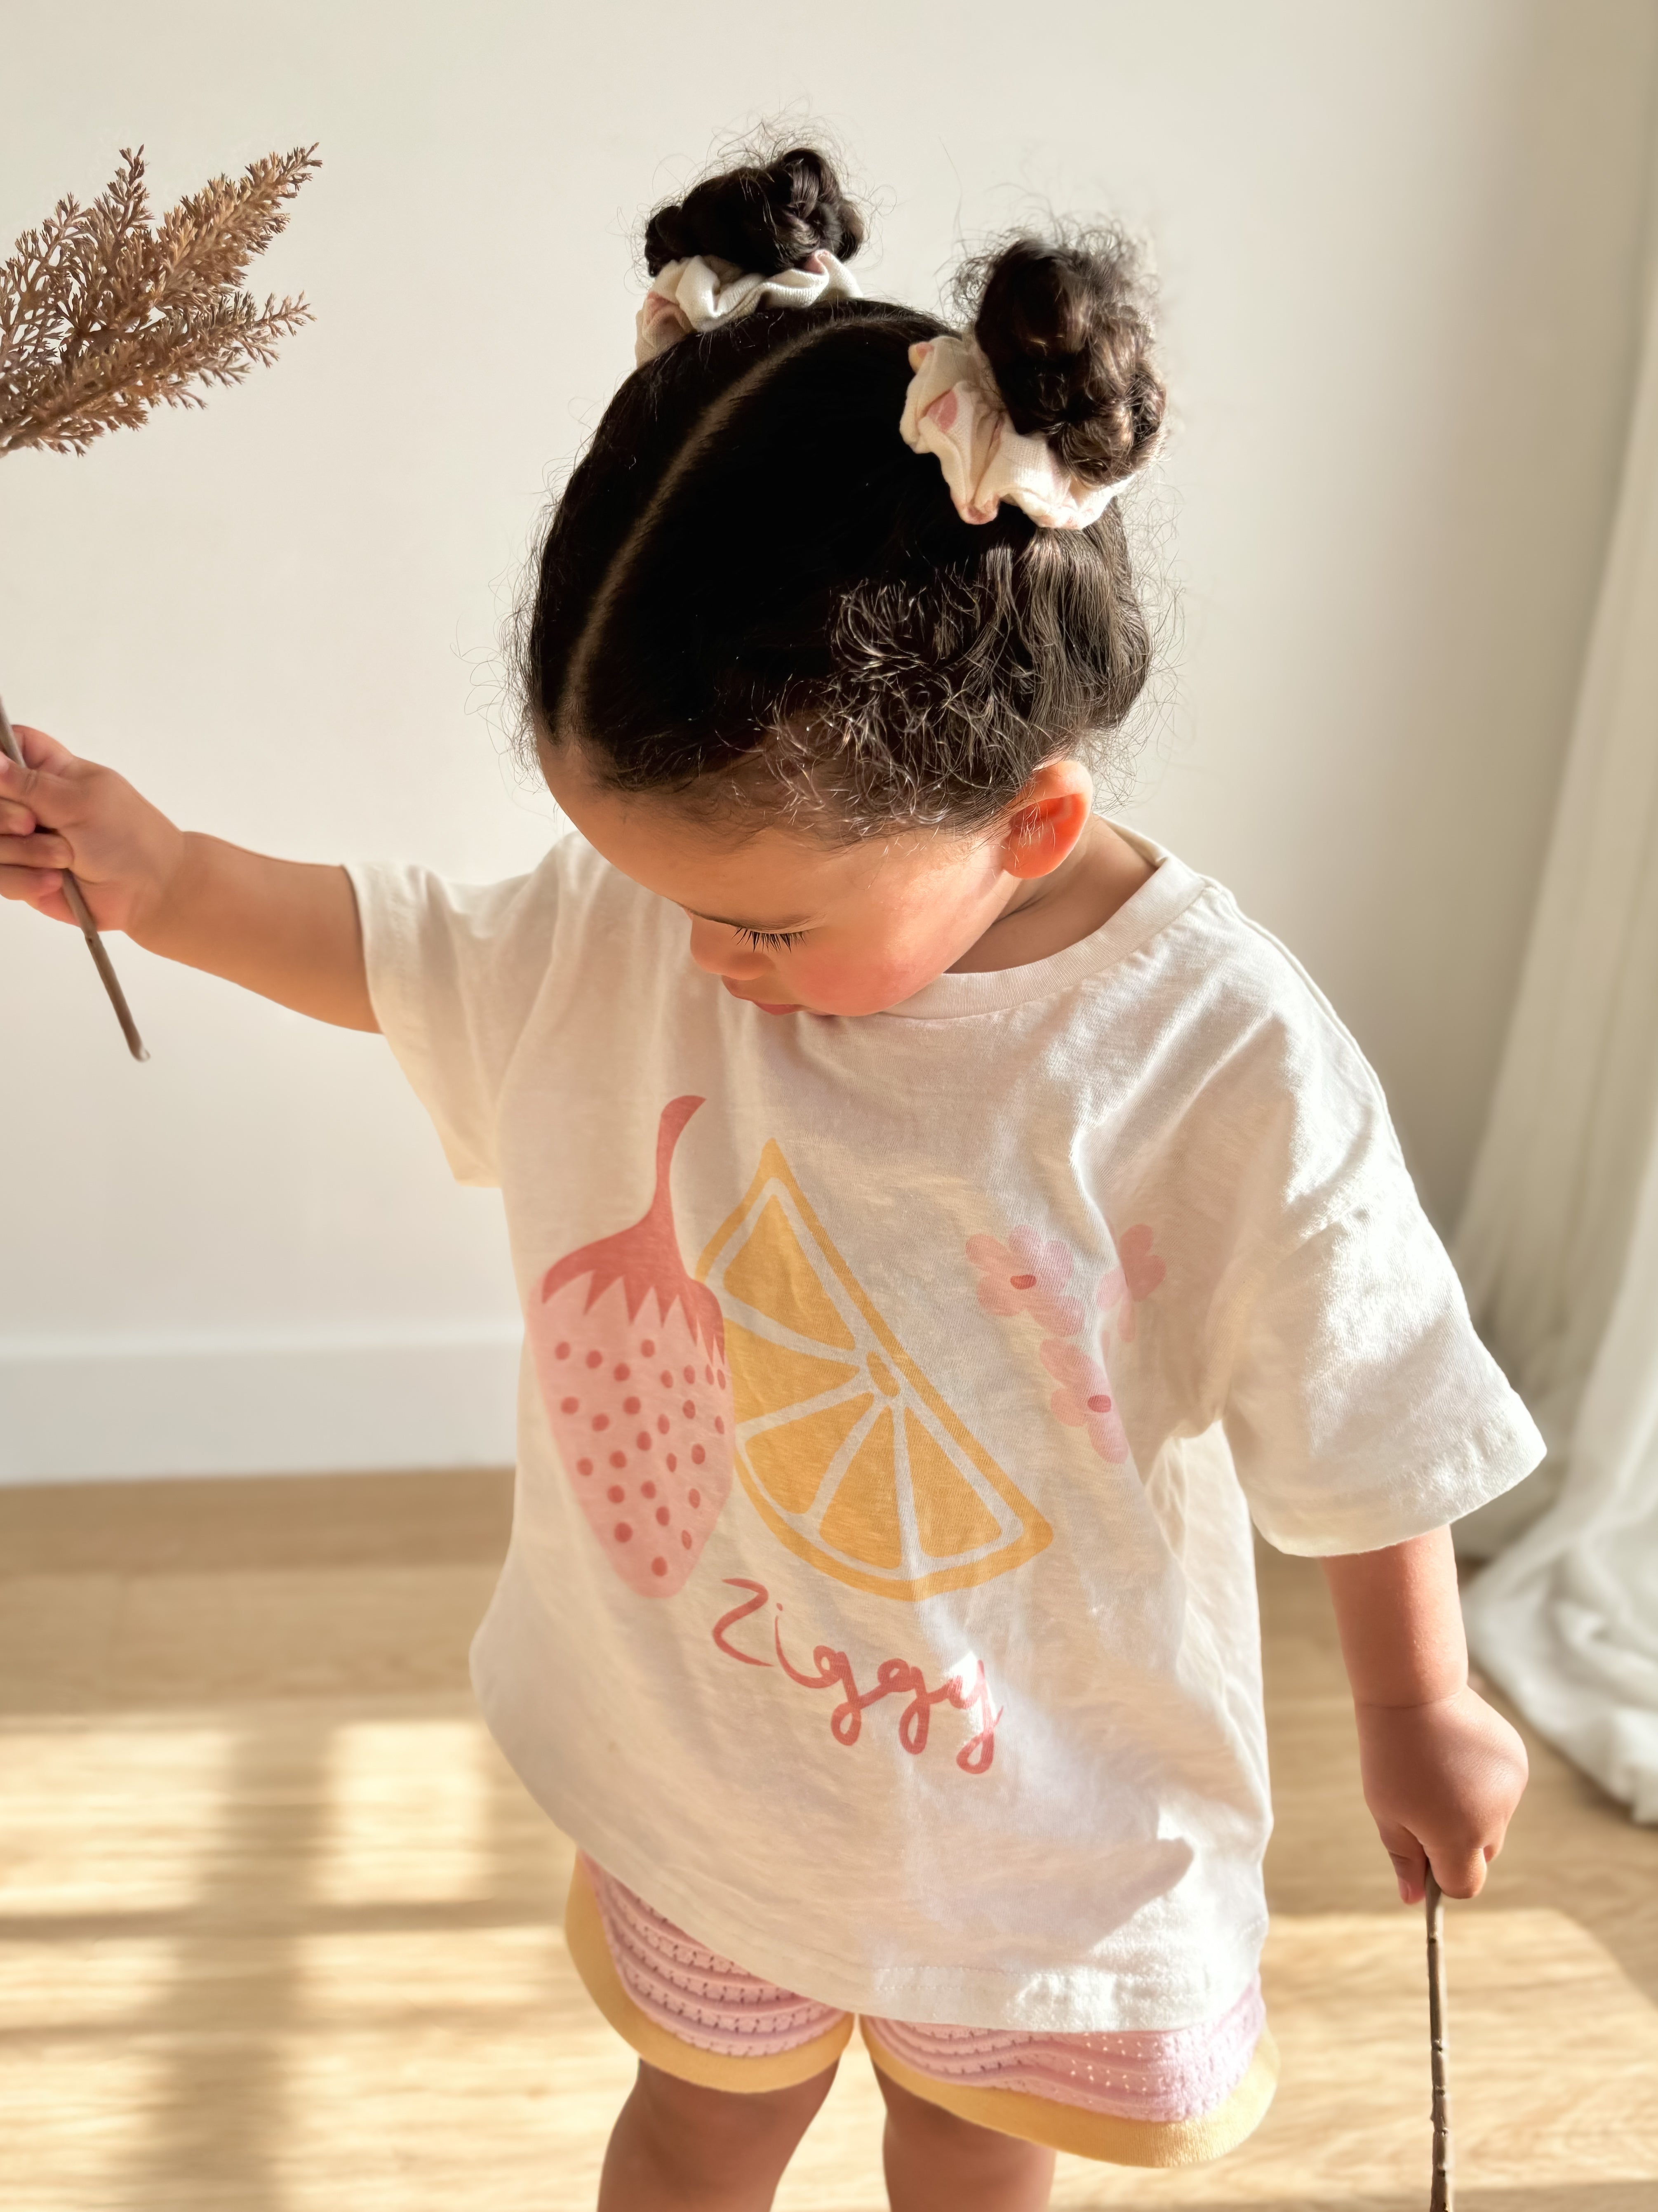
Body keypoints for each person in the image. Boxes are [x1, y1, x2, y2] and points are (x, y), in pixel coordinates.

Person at [0, 144, 1537, 2212]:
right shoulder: (677, 907)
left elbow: (1369, 1386)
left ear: (1024, 819)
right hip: (714, 1761)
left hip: (1030, 1812)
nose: (698, 969)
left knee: (968, 2151)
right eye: (660, 900)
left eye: (766, 934)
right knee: (695, 2129)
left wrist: (1419, 1700)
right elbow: (427, 957)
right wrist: (167, 878)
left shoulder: (1207, 1051)